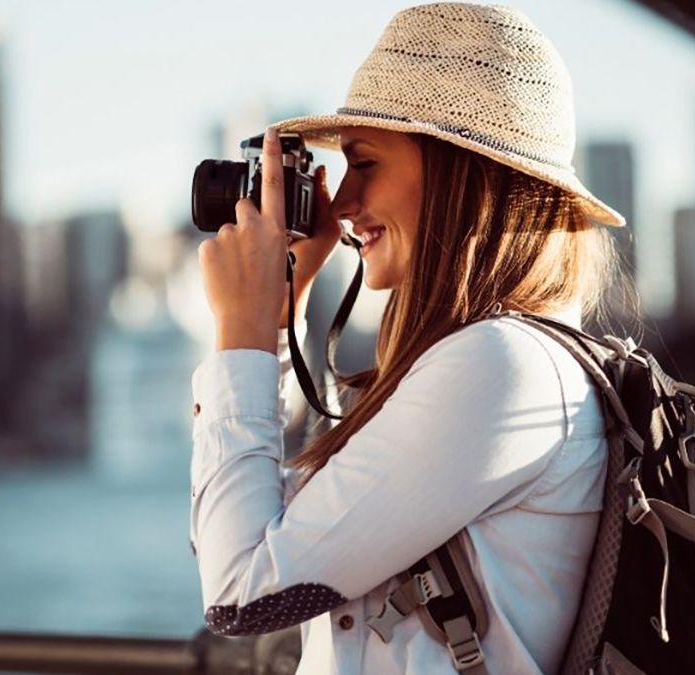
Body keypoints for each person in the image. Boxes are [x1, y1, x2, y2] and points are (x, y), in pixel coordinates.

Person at [190, 3, 631, 673]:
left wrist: (242, 335)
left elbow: (240, 594)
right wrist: (282, 316)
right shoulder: (489, 362)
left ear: (463, 175)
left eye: (364, 164)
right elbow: (245, 528)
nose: (339, 205)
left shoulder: (502, 366)